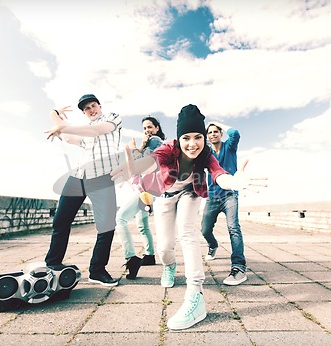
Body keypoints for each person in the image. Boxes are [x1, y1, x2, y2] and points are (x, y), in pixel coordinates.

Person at [111, 104, 260, 330]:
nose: (192, 144)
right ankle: (169, 266)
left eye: (198, 137)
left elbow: (219, 175)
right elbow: (152, 160)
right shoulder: (168, 149)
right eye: (186, 138)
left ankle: (195, 295)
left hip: (191, 193)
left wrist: (234, 182)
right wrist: (134, 167)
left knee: (187, 233)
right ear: (179, 138)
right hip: (166, 195)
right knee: (164, 247)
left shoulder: (206, 154)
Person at [44, 93, 122, 287]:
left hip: (101, 177)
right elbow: (68, 138)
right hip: (78, 177)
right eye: (87, 109)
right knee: (61, 221)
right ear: (84, 113)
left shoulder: (112, 118)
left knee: (105, 226)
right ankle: (53, 263)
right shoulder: (84, 130)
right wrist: (55, 115)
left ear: (100, 105)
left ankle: (97, 270)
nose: (91, 110)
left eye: (94, 106)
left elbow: (97, 131)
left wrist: (61, 125)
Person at [116, 116, 166, 279]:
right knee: (142, 224)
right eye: (144, 128)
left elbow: (145, 163)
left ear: (157, 128)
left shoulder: (155, 140)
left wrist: (139, 148)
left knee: (121, 219)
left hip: (147, 188)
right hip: (145, 188)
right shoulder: (153, 142)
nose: (147, 131)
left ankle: (131, 258)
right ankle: (149, 255)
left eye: (150, 127)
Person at [201, 121, 247, 286]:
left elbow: (235, 133)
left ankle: (239, 267)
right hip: (212, 197)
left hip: (230, 195)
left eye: (215, 131)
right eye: (210, 132)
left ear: (220, 134)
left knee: (233, 228)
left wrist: (216, 122)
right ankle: (212, 246)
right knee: (205, 230)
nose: (213, 134)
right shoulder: (207, 153)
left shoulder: (229, 147)